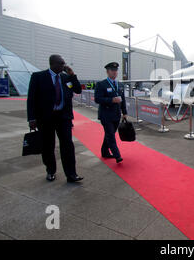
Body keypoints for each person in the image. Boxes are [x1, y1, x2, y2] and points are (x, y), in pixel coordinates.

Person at [27, 54, 84, 183]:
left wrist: (73, 75)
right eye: (61, 63)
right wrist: (31, 118)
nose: (64, 65)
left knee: (67, 145)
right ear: (53, 64)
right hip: (46, 118)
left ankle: (71, 174)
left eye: (64, 63)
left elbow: (78, 90)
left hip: (63, 117)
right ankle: (50, 170)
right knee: (48, 146)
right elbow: (31, 99)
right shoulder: (38, 77)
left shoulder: (66, 78)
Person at [94, 62, 128, 163]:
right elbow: (97, 99)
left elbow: (123, 100)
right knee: (111, 135)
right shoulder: (101, 84)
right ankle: (117, 155)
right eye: (112, 70)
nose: (114, 72)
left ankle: (104, 151)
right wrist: (111, 100)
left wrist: (124, 112)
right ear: (107, 72)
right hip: (106, 115)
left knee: (109, 134)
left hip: (116, 115)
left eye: (116, 70)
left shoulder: (120, 84)